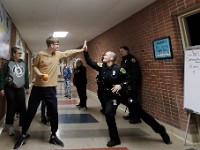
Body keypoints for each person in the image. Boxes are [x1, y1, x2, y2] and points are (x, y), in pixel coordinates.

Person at [83, 48, 170, 147]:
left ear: (111, 58)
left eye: (106, 55)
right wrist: (85, 52)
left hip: (124, 95)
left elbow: (130, 79)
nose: (104, 56)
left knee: (139, 112)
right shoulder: (101, 67)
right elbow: (90, 62)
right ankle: (115, 139)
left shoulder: (119, 69)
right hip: (111, 97)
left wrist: (121, 85)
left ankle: (160, 130)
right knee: (108, 114)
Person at [13, 36, 87, 149]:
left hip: (51, 89)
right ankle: (24, 134)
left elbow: (68, 53)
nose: (58, 46)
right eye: (57, 44)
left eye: (58, 44)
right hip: (37, 88)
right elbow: (34, 66)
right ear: (51, 45)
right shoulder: (40, 54)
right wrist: (40, 74)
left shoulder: (58, 54)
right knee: (31, 111)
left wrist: (82, 49)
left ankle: (53, 135)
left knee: (54, 112)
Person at [0, 47, 29, 136]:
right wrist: (1, 88)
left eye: (21, 53)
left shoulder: (23, 64)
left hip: (20, 88)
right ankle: (10, 127)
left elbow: (25, 76)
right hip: (10, 88)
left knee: (22, 107)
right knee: (11, 106)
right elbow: (2, 76)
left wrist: (27, 87)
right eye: (19, 53)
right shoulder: (8, 63)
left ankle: (22, 127)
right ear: (13, 54)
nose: (21, 55)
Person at [119, 46, 142, 124]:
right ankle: (131, 114)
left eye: (122, 51)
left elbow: (135, 72)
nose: (121, 52)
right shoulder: (123, 59)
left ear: (127, 50)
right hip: (126, 83)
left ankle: (136, 117)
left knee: (133, 100)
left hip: (132, 83)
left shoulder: (132, 59)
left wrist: (133, 81)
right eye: (120, 51)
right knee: (129, 100)